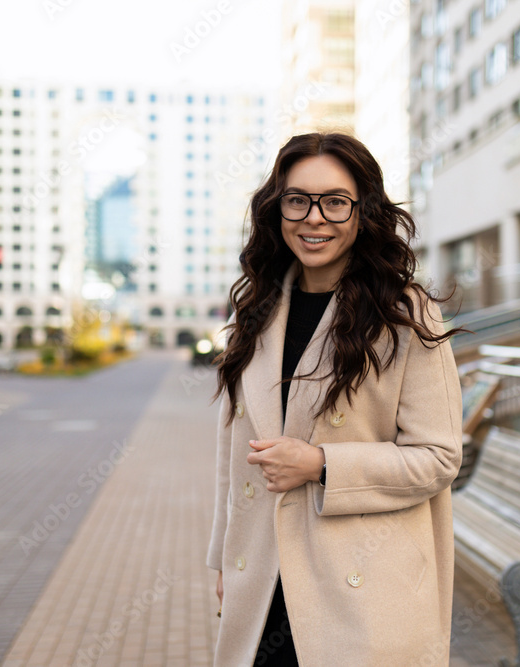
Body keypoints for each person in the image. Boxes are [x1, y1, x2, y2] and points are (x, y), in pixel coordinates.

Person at [207, 132, 464, 666]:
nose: (314, 217)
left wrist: (322, 464)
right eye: (297, 199)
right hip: (263, 578)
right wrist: (223, 562)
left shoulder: (403, 315)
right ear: (277, 209)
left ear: (363, 212)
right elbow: (232, 461)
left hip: (362, 588)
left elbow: (439, 458)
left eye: (335, 201)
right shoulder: (254, 310)